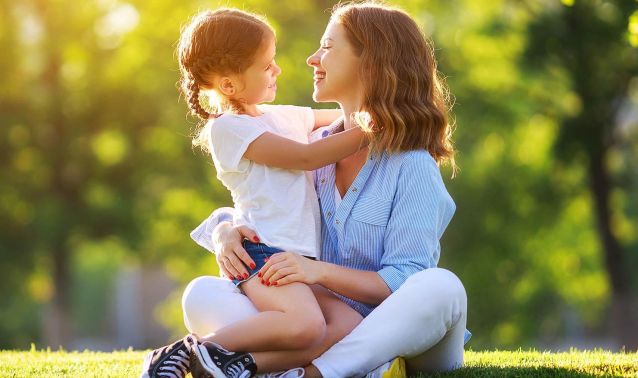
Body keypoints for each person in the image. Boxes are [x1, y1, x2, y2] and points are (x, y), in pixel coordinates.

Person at [185, 2, 471, 378]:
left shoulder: (411, 164)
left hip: (400, 329)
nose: (310, 58)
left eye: (328, 47)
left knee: (441, 287)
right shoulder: (310, 146)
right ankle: (322, 366)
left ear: (371, 61)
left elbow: (403, 282)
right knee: (201, 293)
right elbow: (266, 201)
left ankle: (313, 372)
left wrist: (317, 272)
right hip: (317, 322)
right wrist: (224, 229)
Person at [140, 8, 369, 378]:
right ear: (229, 85)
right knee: (307, 325)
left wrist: (374, 111)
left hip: (299, 260)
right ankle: (195, 349)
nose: (277, 70)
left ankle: (235, 368)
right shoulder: (228, 129)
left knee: (348, 326)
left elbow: (341, 119)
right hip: (263, 251)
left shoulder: (282, 115)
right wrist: (380, 128)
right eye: (266, 66)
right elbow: (307, 157)